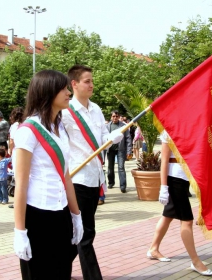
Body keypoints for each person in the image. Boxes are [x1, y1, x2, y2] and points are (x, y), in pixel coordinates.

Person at [13, 70, 83, 280]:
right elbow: (21, 185)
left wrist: (76, 216)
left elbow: (66, 176)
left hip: (60, 213)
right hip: (37, 216)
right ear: (47, 92)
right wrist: (20, 231)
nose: (68, 92)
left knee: (62, 273)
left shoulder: (58, 128)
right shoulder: (28, 131)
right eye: (63, 88)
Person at [62, 65, 123, 280]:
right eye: (87, 81)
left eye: (92, 81)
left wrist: (111, 140)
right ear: (74, 84)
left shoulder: (96, 108)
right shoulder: (65, 113)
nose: (91, 85)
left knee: (79, 231)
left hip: (95, 176)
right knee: (86, 232)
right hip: (76, 178)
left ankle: (56, 269)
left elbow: (103, 139)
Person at [147, 130, 212, 276]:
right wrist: (163, 187)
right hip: (174, 178)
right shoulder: (168, 129)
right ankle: (195, 261)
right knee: (187, 221)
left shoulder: (188, 126)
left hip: (184, 177)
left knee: (168, 216)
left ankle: (153, 248)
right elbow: (164, 160)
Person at [106, 110, 132, 193]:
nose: (115, 118)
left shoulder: (123, 126)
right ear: (111, 117)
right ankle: (111, 182)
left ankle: (123, 186)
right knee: (110, 167)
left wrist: (129, 151)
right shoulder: (107, 126)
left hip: (120, 150)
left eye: (116, 116)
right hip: (110, 150)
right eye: (113, 116)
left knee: (121, 167)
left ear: (119, 117)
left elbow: (128, 139)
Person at [8, 107, 24, 209]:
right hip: (26, 151)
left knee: (18, 178)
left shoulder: (15, 126)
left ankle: (17, 202)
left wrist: (10, 150)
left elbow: (12, 141)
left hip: (17, 152)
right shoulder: (27, 123)